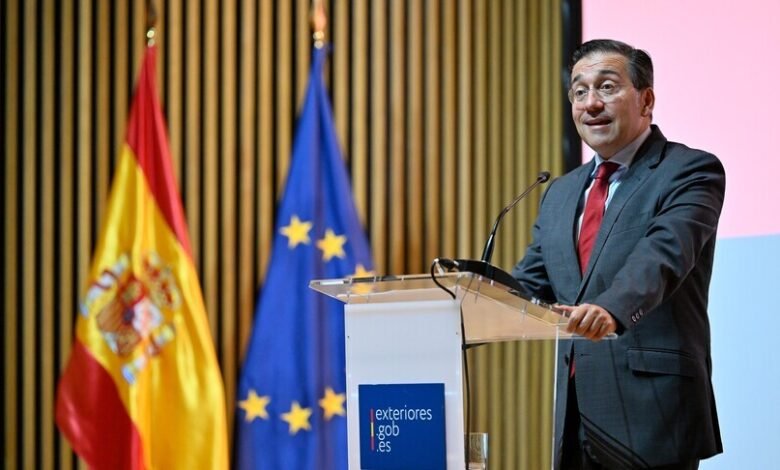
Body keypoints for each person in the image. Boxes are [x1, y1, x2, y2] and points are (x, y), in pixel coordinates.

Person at [512, 39, 724, 469]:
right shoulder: (561, 193)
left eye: (607, 87)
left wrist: (611, 308)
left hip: (654, 414)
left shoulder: (689, 171)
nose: (591, 103)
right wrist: (461, 298)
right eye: (579, 91)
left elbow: (664, 256)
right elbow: (528, 283)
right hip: (576, 418)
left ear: (646, 101)